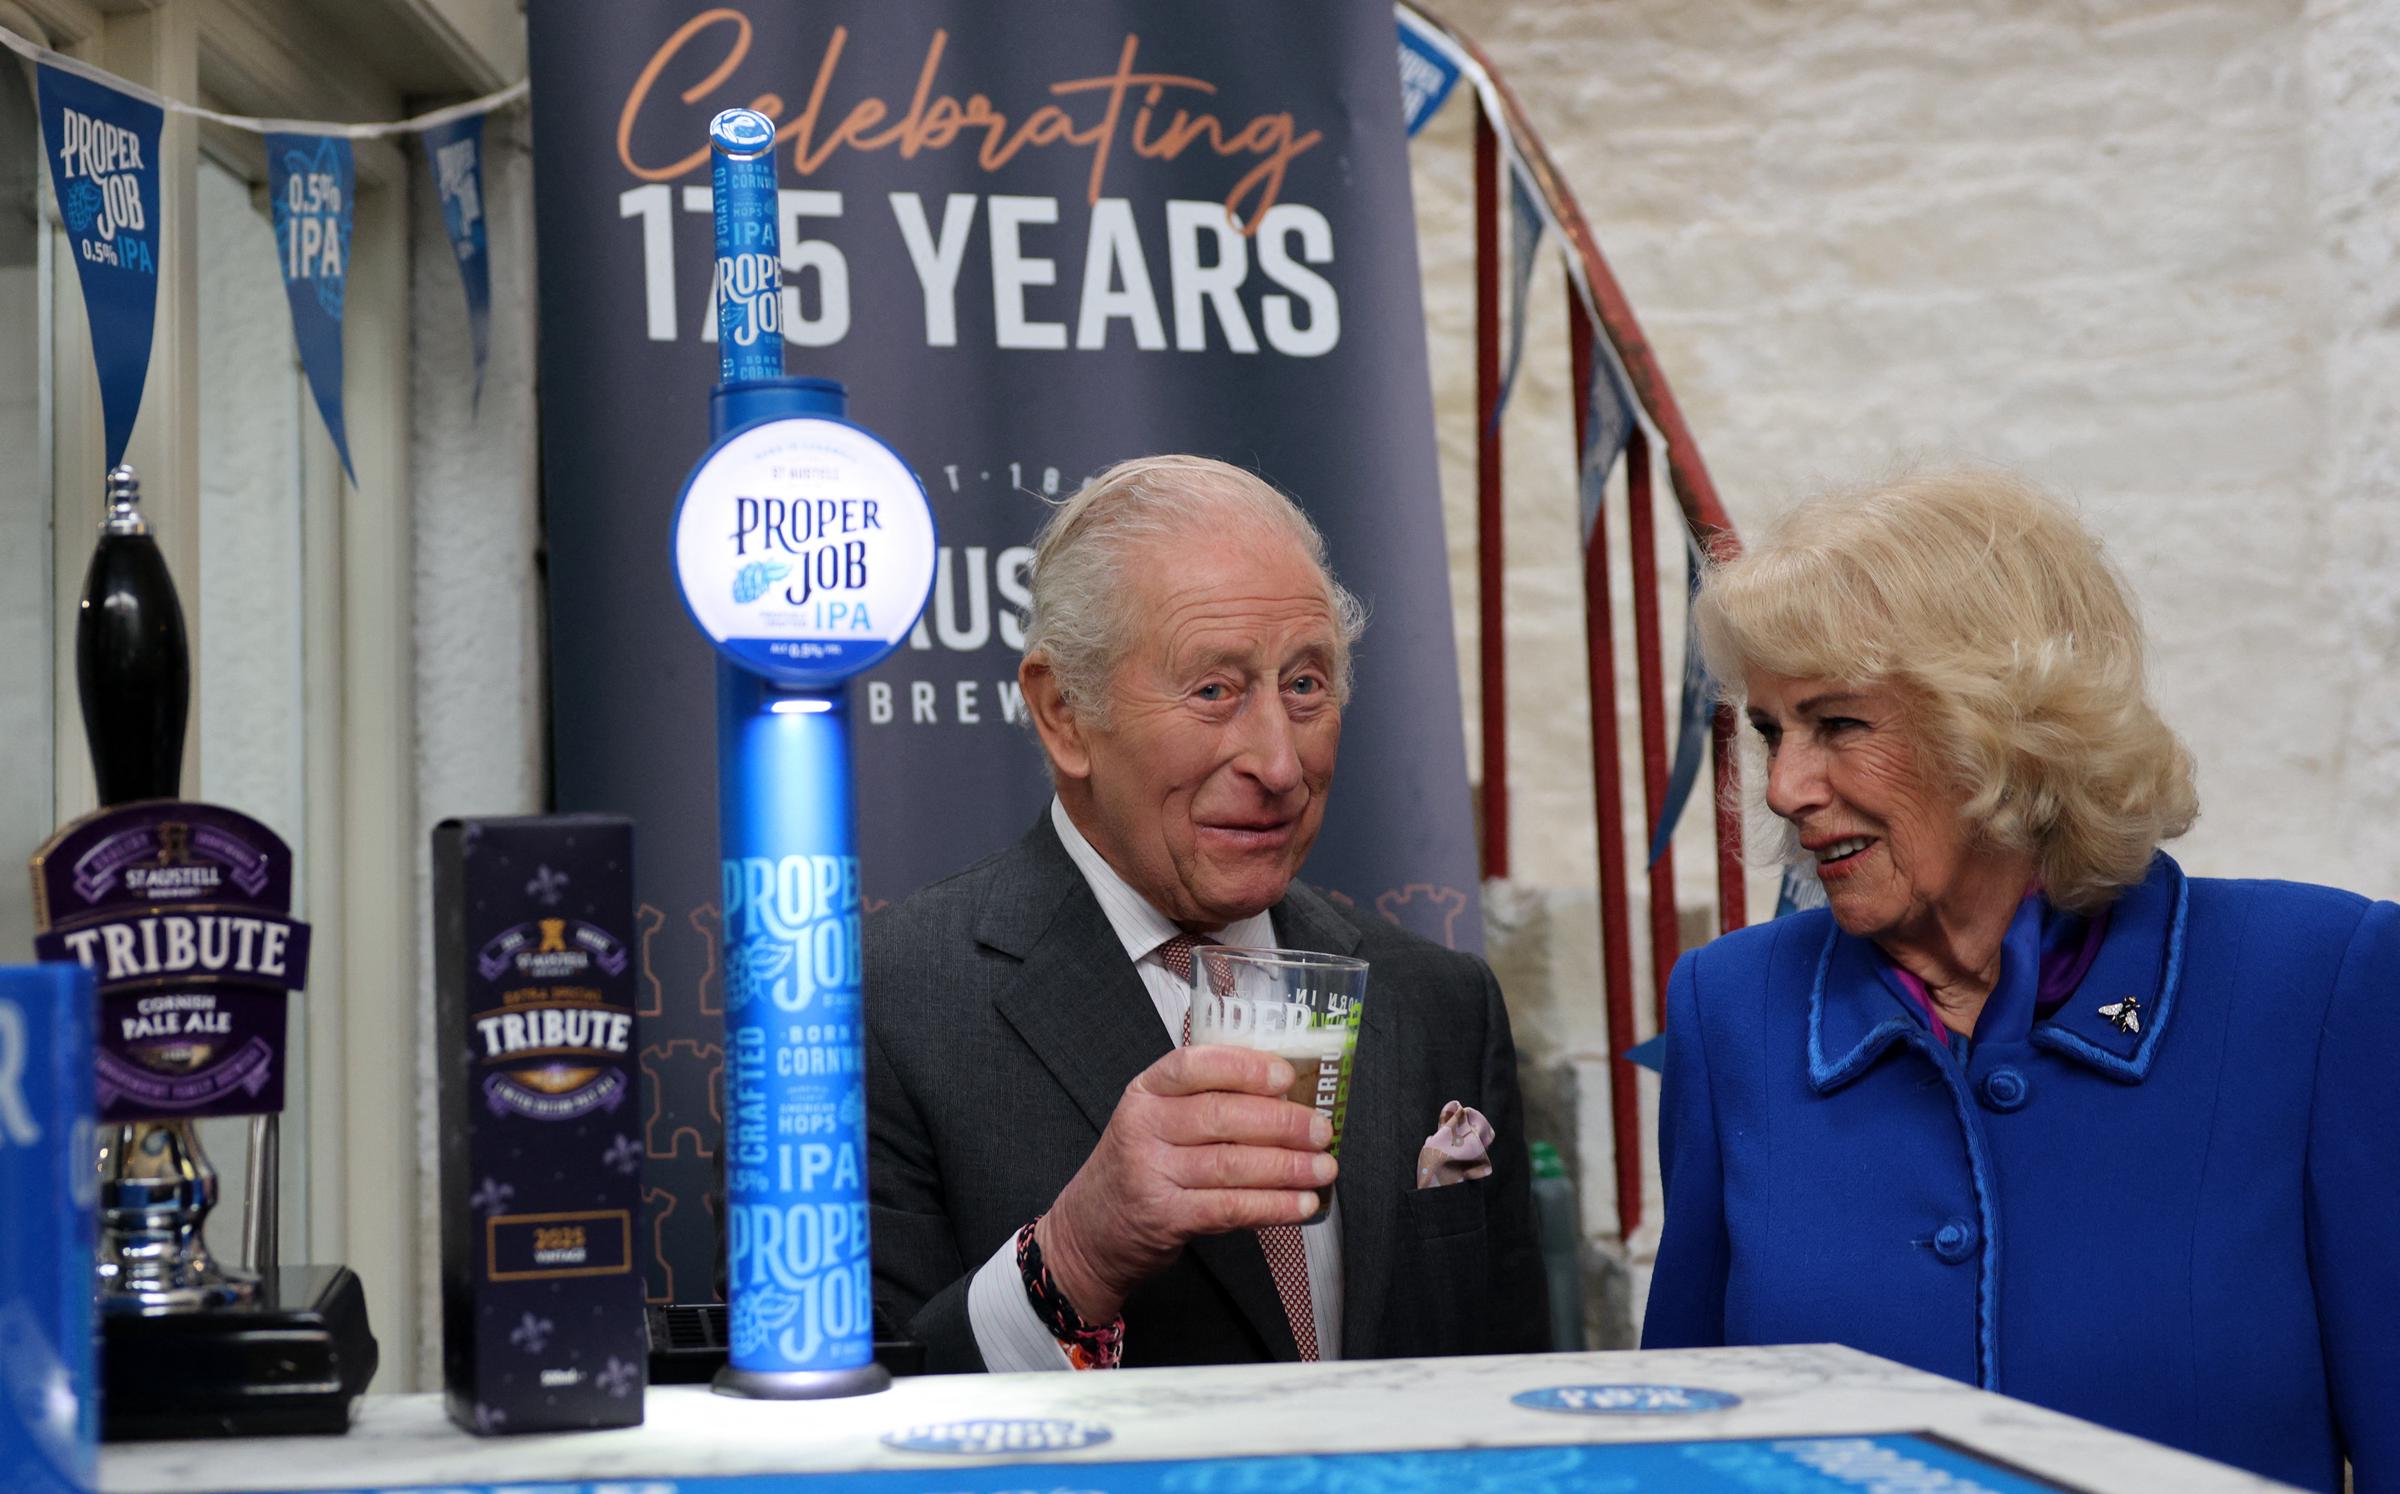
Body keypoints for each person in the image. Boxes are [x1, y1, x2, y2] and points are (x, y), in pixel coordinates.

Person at [1642, 470, 2397, 1493]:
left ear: (2002, 724)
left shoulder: (2310, 984)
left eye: (1840, 725)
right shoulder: (1731, 1010)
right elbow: (1685, 1442)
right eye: (1772, 731)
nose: (1785, 788)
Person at [866, 454, 1546, 1372]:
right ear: (1064, 712)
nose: (1278, 763)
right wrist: (1073, 1256)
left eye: (1304, 685)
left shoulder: (1439, 1001)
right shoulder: (878, 1008)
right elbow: (841, 1430)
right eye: (1214, 690)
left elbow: (1509, 1389)